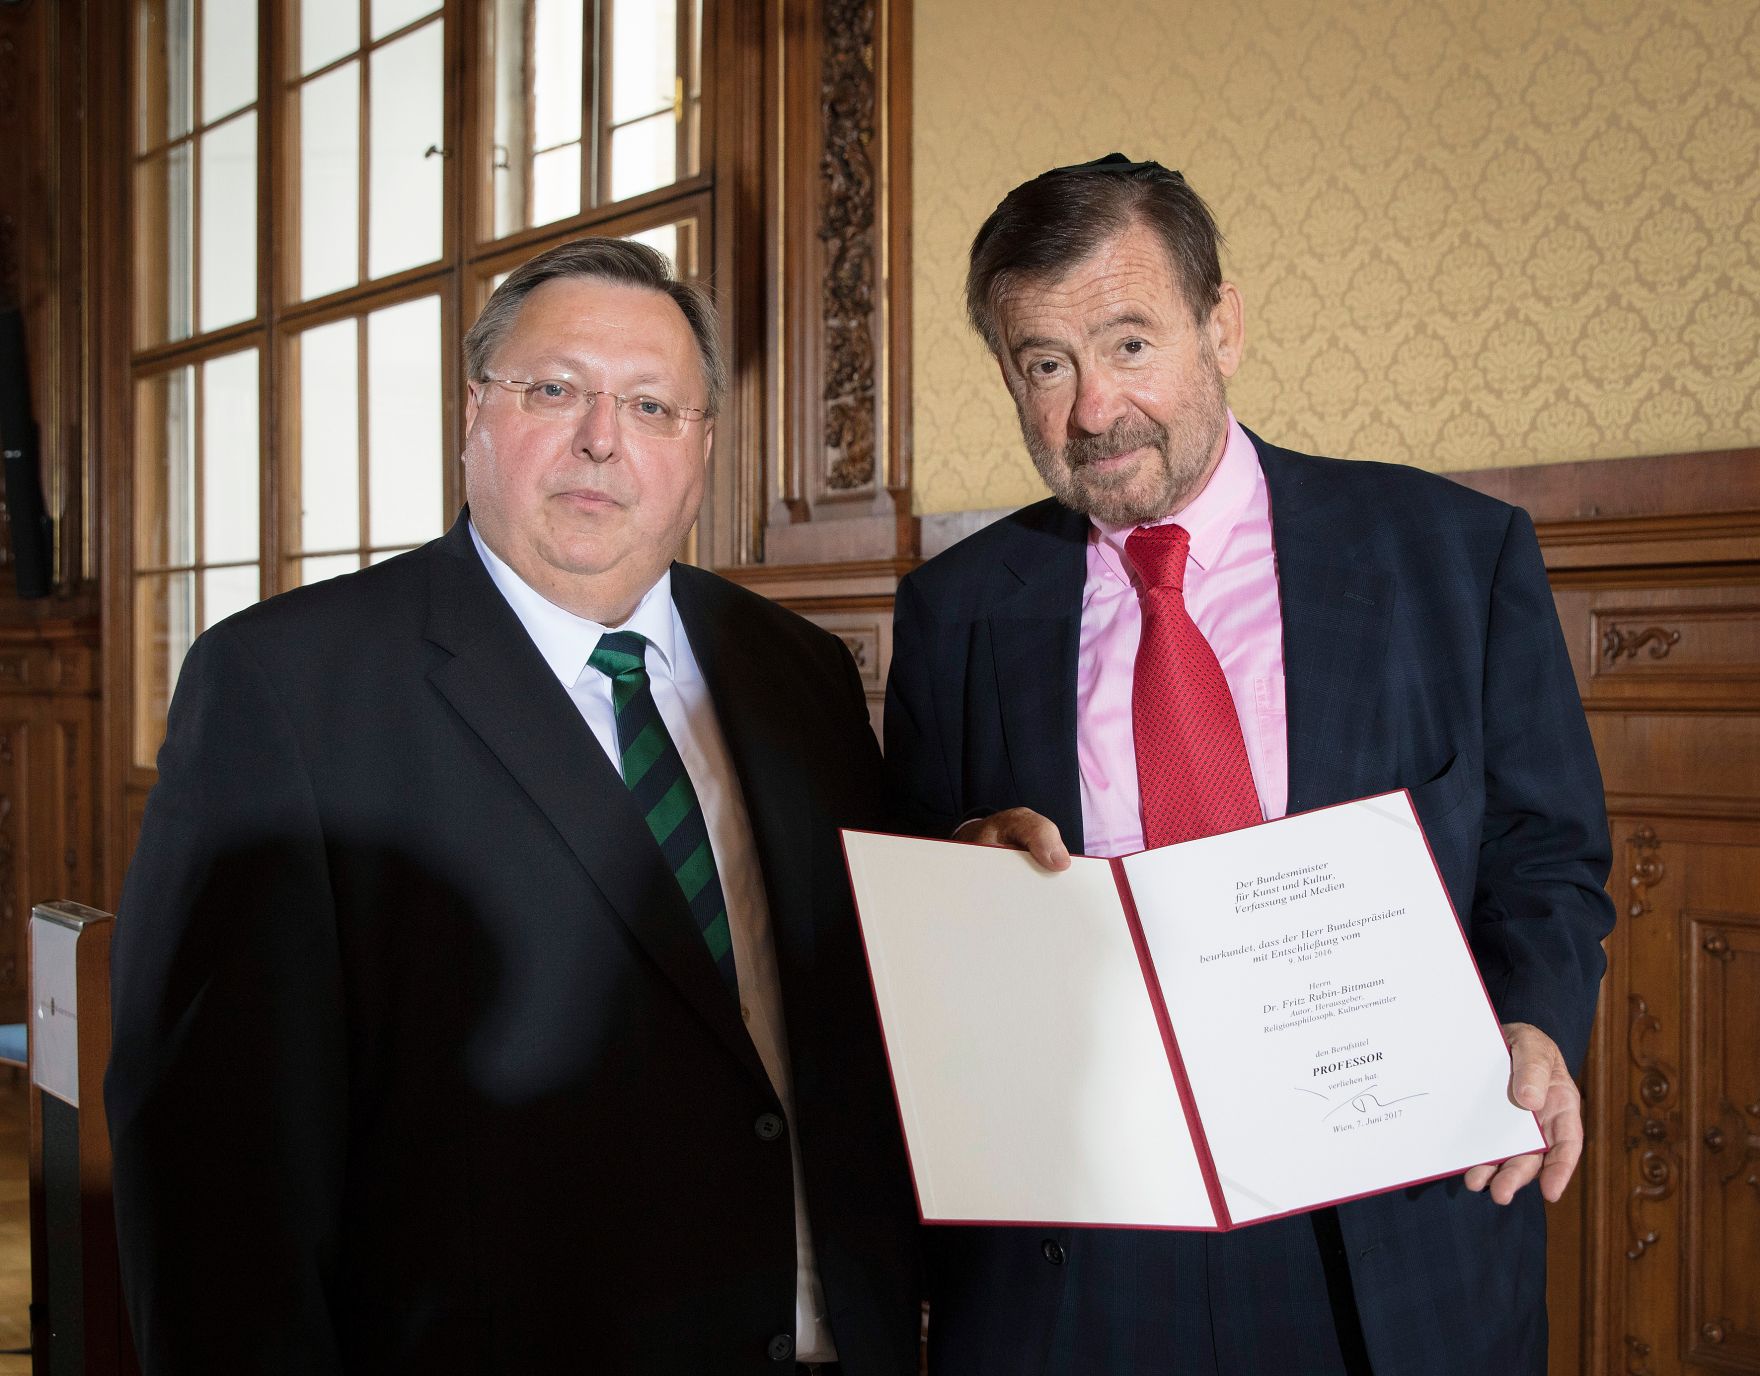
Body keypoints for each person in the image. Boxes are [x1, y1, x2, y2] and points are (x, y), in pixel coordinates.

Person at [107, 238, 920, 1375]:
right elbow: (213, 1168)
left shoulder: (799, 674)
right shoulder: (286, 687)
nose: (602, 437)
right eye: (555, 390)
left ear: (700, 449)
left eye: (649, 404)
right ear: (472, 413)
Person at [884, 155, 1615, 1375]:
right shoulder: (953, 610)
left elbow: (1543, 851)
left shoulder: (1449, 554)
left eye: (1128, 344)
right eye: (1043, 363)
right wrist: (957, 882)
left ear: (1220, 322)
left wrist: (1533, 1016)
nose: (1092, 412)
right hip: (1081, 1252)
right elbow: (912, 921)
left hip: (1389, 1234)